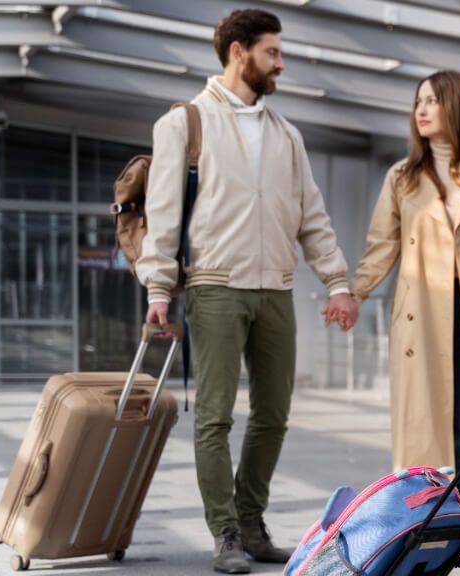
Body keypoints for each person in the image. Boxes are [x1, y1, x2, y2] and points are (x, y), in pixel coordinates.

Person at [136, 9, 358, 574]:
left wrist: (337, 282)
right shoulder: (185, 124)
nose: (280, 63)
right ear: (239, 52)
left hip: (276, 290)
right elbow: (163, 213)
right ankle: (226, 532)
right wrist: (159, 289)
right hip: (214, 287)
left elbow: (312, 217)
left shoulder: (287, 135)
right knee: (214, 417)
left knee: (273, 415)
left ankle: (252, 521)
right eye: (272, 52)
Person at [338, 70, 460, 566]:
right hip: (422, 322)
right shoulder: (402, 177)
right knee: (426, 430)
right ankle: (429, 523)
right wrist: (353, 292)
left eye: (432, 100)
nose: (421, 109)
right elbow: (382, 246)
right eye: (418, 101)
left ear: (457, 107)